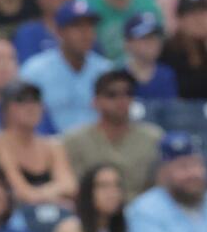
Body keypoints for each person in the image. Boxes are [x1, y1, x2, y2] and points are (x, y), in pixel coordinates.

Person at [58, 68, 159, 197]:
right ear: (95, 102)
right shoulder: (73, 140)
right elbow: (71, 187)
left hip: (141, 212)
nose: (122, 100)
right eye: (112, 94)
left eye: (128, 93)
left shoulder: (153, 137)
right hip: (91, 213)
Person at [19, 0, 113, 135]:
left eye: (90, 26)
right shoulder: (35, 71)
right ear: (59, 32)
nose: (85, 33)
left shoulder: (107, 71)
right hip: (49, 147)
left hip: (97, 150)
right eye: (77, 26)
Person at [0, 82, 76, 209]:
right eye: (22, 101)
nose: (31, 107)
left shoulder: (52, 146)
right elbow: (22, 193)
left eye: (35, 101)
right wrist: (54, 193)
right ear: (6, 109)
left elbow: (70, 186)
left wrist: (39, 194)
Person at [48, 164, 126, 232]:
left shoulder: (116, 229)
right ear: (87, 192)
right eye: (103, 186)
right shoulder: (71, 231)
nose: (112, 192)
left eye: (117, 185)